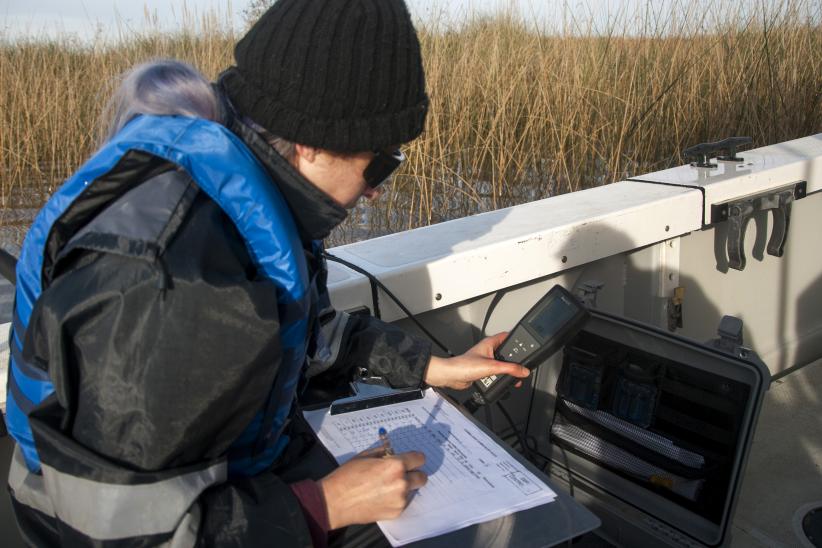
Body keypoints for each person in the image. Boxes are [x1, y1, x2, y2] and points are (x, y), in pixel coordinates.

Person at [4, 1, 530, 546]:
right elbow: (116, 532)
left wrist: (431, 367)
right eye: (380, 163)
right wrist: (324, 505)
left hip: (236, 476)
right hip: (154, 524)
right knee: (484, 528)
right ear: (309, 140)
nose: (377, 189)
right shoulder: (168, 283)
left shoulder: (251, 193)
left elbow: (299, 331)